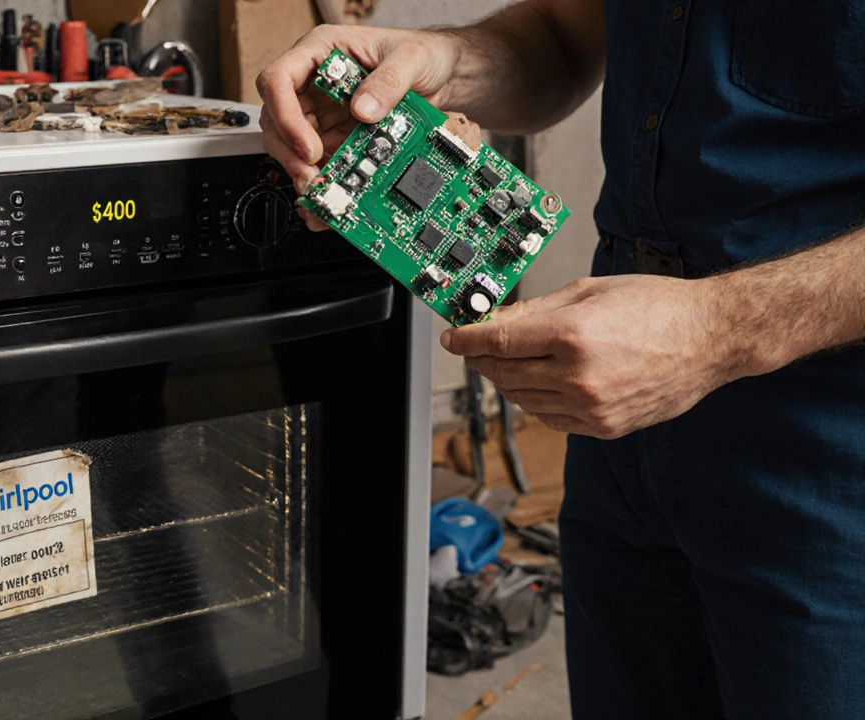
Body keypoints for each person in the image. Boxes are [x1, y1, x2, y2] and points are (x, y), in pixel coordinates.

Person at [255, 2, 865, 718]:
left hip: (826, 450)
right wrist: (447, 61)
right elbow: (564, 37)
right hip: (618, 432)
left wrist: (719, 329)